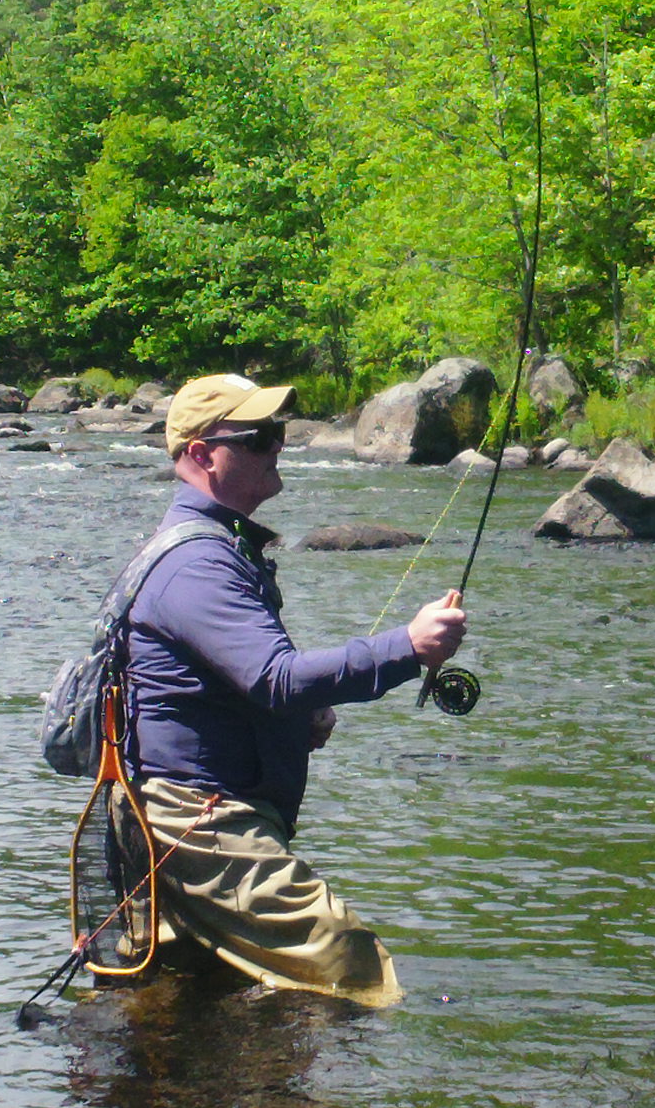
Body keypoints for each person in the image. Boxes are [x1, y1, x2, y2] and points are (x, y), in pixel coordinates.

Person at [108, 373, 466, 1004]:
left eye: (277, 433)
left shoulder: (217, 549)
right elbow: (273, 678)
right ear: (199, 455)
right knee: (346, 960)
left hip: (183, 815)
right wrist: (407, 646)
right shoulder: (196, 563)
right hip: (193, 821)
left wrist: (295, 720)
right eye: (259, 436)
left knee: (183, 996)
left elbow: (228, 682)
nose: (278, 446)